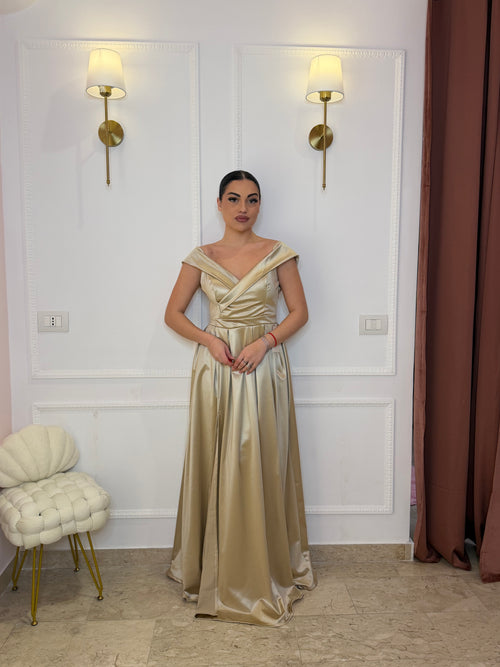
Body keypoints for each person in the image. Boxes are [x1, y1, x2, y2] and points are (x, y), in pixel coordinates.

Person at [164, 170, 315, 626]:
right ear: (219, 204)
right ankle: (210, 566)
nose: (243, 208)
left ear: (260, 204)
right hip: (216, 367)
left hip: (264, 368)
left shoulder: (278, 253)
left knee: (262, 461)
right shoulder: (201, 257)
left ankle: (261, 569)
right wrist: (210, 341)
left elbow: (299, 312)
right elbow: (173, 314)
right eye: (233, 199)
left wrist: (265, 343)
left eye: (251, 199)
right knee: (215, 461)